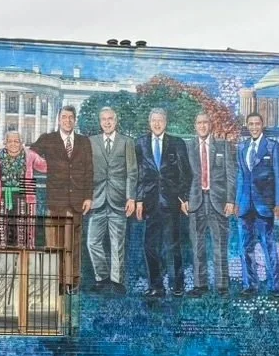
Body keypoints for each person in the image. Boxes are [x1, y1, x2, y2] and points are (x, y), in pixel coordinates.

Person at [30, 105, 93, 295]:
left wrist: (88, 196)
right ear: (59, 120)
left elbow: (89, 171)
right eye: (64, 117)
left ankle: (72, 282)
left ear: (75, 120)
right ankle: (54, 281)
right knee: (53, 243)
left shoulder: (83, 142)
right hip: (55, 200)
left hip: (76, 201)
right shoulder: (47, 140)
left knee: (73, 244)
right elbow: (29, 157)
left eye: (71, 118)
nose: (67, 121)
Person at [136, 107, 191, 297]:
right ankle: (156, 286)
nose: (157, 124)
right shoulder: (140, 143)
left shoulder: (177, 143)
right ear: (149, 123)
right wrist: (139, 200)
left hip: (171, 203)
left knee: (173, 245)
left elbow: (186, 173)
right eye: (154, 121)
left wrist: (182, 197)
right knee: (150, 246)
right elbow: (138, 175)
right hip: (150, 203)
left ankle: (177, 285)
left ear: (165, 122)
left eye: (160, 120)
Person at [87, 106, 138, 295]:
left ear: (116, 121)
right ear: (100, 122)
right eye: (104, 119)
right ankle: (102, 278)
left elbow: (132, 172)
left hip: (119, 199)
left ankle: (117, 281)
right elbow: (87, 172)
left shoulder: (127, 142)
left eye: (110, 119)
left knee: (117, 243)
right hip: (97, 199)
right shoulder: (91, 142)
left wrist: (131, 197)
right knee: (92, 242)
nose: (107, 122)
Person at [236, 112, 279, 295]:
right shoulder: (242, 147)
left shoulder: (272, 147)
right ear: (247, 126)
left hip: (264, 205)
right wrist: (236, 203)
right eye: (251, 124)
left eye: (257, 124)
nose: (254, 127)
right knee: (245, 247)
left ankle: (276, 286)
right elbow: (241, 177)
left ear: (262, 125)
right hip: (245, 205)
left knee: (268, 245)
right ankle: (249, 285)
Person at [186, 112, 236, 297]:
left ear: (211, 125)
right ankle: (200, 285)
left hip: (218, 201)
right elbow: (184, 176)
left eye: (206, 123)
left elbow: (231, 176)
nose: (202, 126)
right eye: (199, 123)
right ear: (195, 125)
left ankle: (222, 286)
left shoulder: (223, 145)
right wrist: (184, 200)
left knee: (220, 244)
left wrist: (231, 200)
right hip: (196, 201)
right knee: (197, 244)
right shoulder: (189, 146)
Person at [0, 130, 47, 249]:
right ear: (5, 143)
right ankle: (0, 262)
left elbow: (45, 166)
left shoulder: (30, 155)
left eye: (16, 141)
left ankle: (23, 264)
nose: (13, 144)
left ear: (21, 143)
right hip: (1, 194)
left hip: (25, 193)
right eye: (9, 141)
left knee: (25, 236)